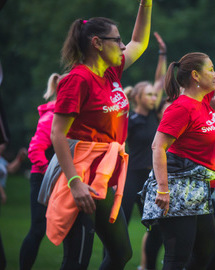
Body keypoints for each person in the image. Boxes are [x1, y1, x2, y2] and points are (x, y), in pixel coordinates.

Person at [139, 16, 215, 270]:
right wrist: (163, 189)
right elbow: (158, 147)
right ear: (196, 75)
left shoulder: (205, 102)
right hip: (178, 189)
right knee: (177, 258)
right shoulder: (181, 108)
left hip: (203, 188)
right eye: (210, 69)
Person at [39, 2, 152, 269]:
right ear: (98, 43)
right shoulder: (77, 79)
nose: (123, 46)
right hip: (79, 172)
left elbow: (140, 41)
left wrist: (145, 4)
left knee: (121, 252)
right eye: (117, 40)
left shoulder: (112, 71)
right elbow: (57, 135)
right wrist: (75, 182)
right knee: (77, 258)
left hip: (105, 171)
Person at [122, 31, 167, 270]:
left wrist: (162, 54)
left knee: (157, 228)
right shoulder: (129, 119)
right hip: (133, 176)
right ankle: (116, 260)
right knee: (123, 222)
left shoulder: (154, 115)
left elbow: (159, 82)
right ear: (139, 96)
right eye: (148, 94)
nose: (153, 97)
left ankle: (147, 267)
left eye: (154, 95)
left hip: (152, 178)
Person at [19, 72, 65, 270]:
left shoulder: (72, 115)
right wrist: (50, 175)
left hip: (63, 180)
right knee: (38, 229)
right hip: (43, 178)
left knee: (71, 231)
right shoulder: (51, 117)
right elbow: (35, 150)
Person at [0, 142, 27, 270]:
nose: (3, 146)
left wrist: (19, 158)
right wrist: (2, 192)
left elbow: (10, 169)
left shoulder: (1, 160)